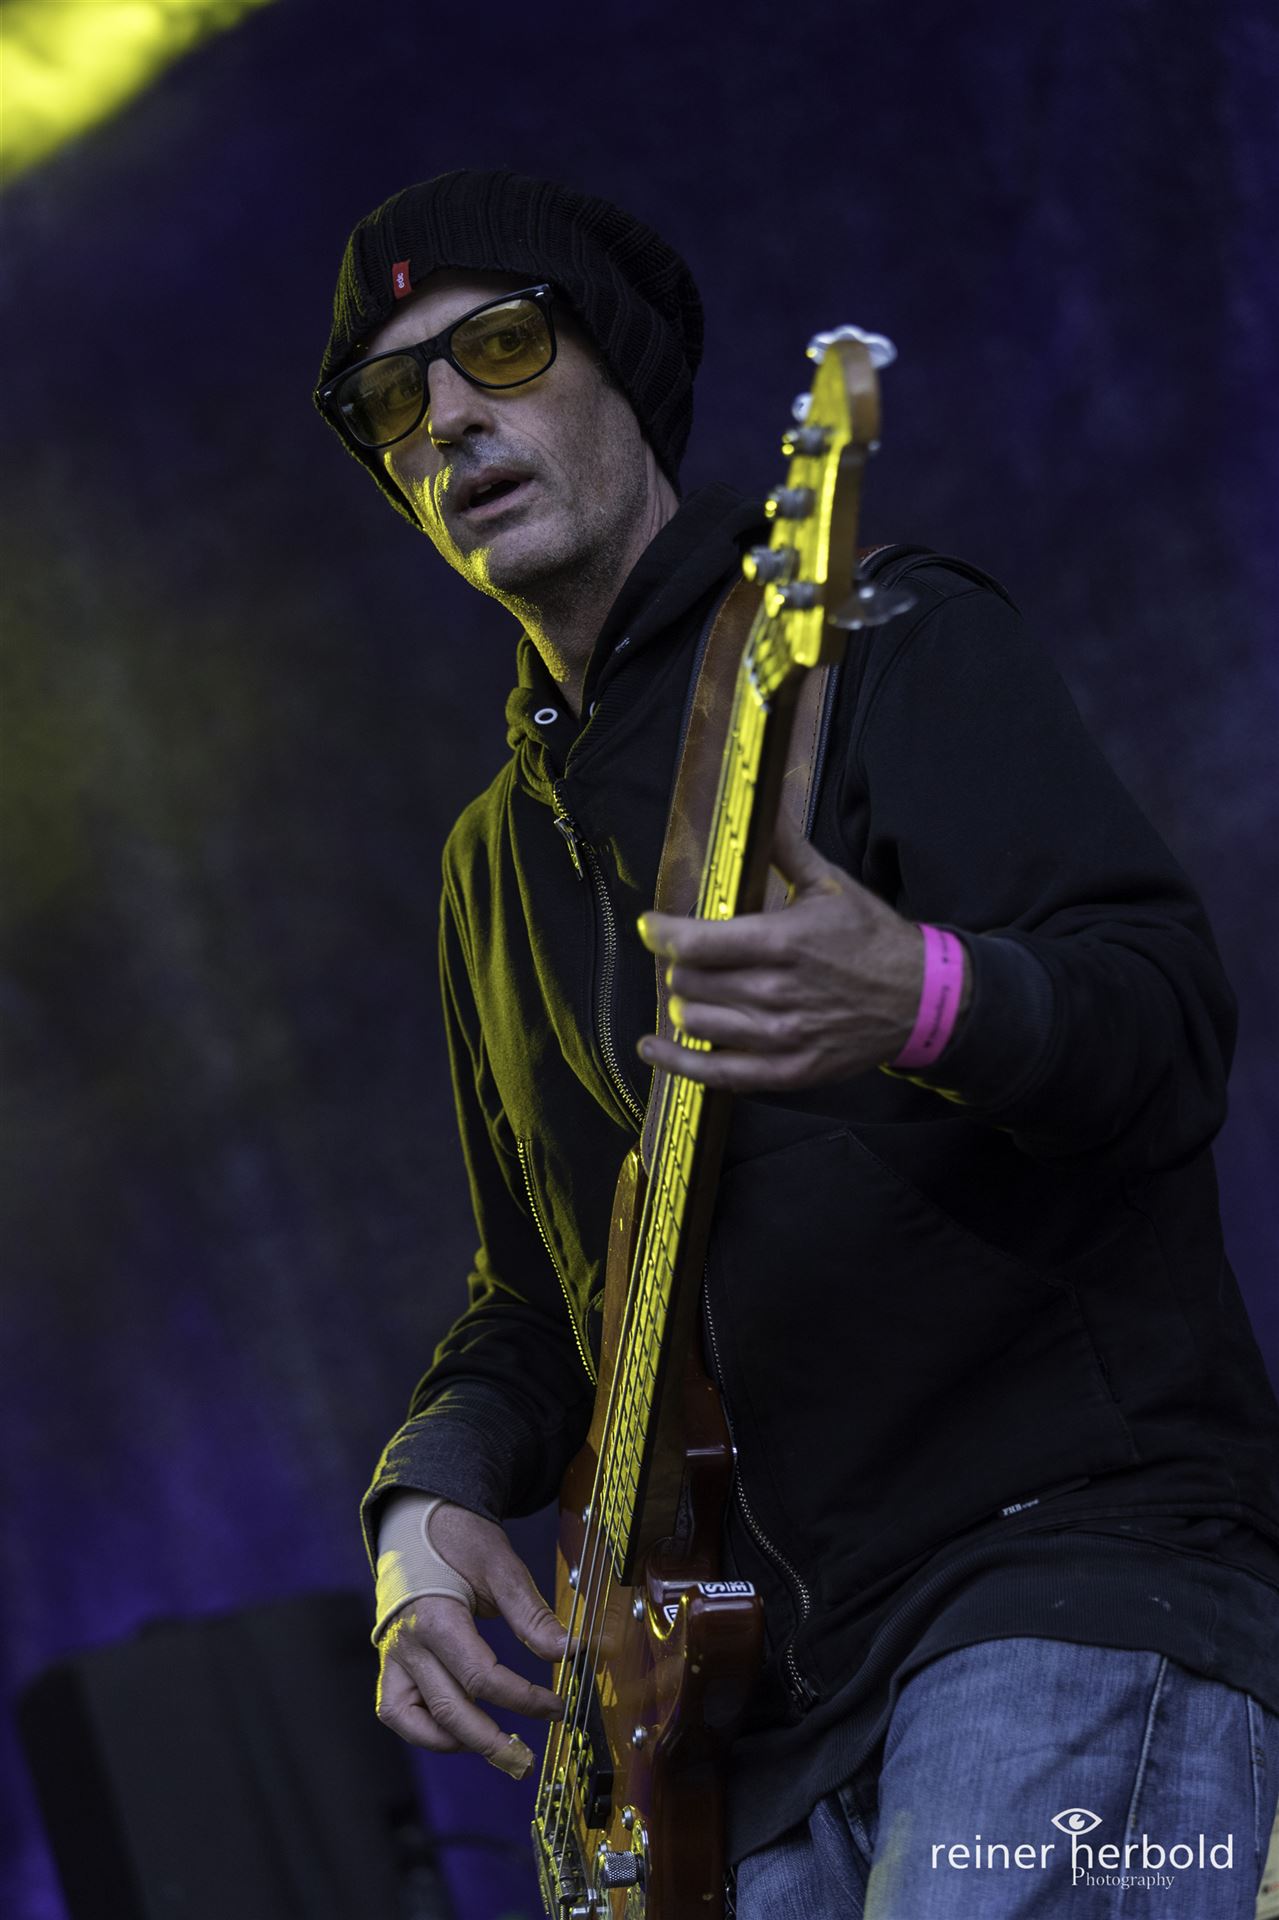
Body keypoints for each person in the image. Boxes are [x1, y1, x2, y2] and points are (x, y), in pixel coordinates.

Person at [314, 169, 1279, 1917]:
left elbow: (1166, 1022)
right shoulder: (487, 868)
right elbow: (538, 1304)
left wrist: (923, 998)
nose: (444, 417)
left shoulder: (877, 642)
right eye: (394, 397)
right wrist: (419, 1520)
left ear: (624, 371)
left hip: (1051, 1579)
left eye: (502, 349)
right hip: (738, 1731)